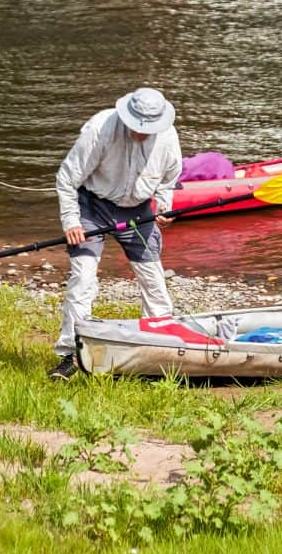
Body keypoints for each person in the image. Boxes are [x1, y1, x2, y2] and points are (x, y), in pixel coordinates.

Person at [50, 87, 183, 380]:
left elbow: (170, 178)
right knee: (83, 278)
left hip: (138, 211)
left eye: (148, 129)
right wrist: (72, 221)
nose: (141, 133)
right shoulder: (100, 129)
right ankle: (70, 354)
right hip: (92, 206)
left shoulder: (168, 138)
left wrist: (162, 205)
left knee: (153, 279)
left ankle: (161, 347)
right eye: (137, 127)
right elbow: (67, 178)